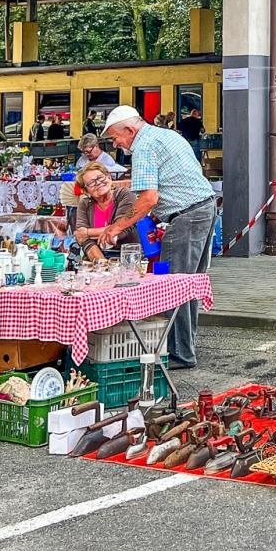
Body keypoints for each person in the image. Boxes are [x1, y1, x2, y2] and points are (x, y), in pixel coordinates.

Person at [101, 105, 216, 368]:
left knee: (172, 287)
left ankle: (178, 354)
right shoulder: (166, 134)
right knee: (188, 286)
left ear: (129, 130)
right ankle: (184, 349)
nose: (116, 144)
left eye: (116, 138)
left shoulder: (143, 146)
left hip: (187, 216)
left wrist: (117, 227)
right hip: (202, 208)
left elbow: (148, 198)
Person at [70, 162, 137, 260]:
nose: (98, 183)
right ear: (86, 190)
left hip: (127, 256)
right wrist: (103, 264)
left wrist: (88, 232)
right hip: (96, 258)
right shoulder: (85, 203)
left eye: (100, 178)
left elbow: (122, 227)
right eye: (91, 183)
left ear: (109, 177)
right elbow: (82, 238)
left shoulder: (125, 194)